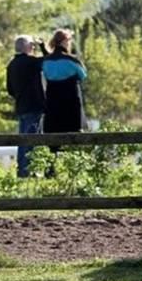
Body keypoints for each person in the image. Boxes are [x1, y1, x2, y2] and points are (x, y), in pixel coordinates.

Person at [6, 35, 47, 177]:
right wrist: (42, 46)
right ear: (26, 47)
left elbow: (10, 89)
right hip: (34, 106)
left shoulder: (11, 65)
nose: (33, 47)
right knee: (32, 141)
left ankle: (24, 170)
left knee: (23, 140)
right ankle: (26, 172)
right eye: (32, 45)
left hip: (21, 106)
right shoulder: (31, 62)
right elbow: (48, 59)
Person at [42, 28, 87, 156]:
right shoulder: (72, 60)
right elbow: (83, 75)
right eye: (69, 40)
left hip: (52, 102)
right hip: (71, 102)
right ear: (63, 42)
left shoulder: (46, 61)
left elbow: (45, 74)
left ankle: (51, 168)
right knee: (74, 134)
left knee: (53, 135)